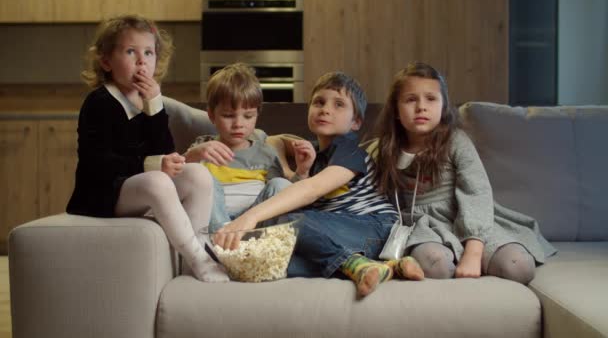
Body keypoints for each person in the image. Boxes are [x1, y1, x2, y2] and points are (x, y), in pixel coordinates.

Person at [214, 72, 424, 298]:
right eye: (319, 102)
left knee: (290, 222)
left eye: (339, 105)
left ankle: (357, 262)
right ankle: (385, 268)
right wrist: (293, 170)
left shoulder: (350, 151)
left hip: (375, 229)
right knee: (267, 262)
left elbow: (311, 191)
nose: (325, 109)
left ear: (356, 122)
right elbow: (273, 140)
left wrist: (250, 217)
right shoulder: (314, 154)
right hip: (338, 236)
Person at [66, 14, 228, 282]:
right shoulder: (100, 102)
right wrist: (153, 165)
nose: (142, 61)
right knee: (157, 182)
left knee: (198, 175)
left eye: (149, 53)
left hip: (134, 190)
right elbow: (101, 161)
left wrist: (154, 106)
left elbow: (164, 150)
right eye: (131, 51)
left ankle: (195, 251)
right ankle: (198, 259)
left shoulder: (149, 101)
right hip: (102, 194)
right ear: (106, 61)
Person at [369, 62, 557, 284]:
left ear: (443, 106)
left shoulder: (456, 141)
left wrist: (473, 253)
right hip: (422, 227)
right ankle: (449, 259)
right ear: (396, 111)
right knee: (436, 265)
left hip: (467, 218)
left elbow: (476, 192)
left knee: (518, 266)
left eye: (431, 98)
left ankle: (480, 258)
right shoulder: (382, 149)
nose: (421, 107)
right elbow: (349, 175)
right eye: (411, 99)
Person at [183, 63, 291, 233]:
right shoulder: (202, 146)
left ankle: (249, 243)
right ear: (211, 115)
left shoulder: (266, 153)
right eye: (228, 115)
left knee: (281, 184)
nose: (238, 124)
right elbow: (179, 179)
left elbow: (285, 196)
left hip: (254, 225)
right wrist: (194, 154)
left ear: (257, 115)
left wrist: (302, 171)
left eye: (248, 116)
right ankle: (225, 238)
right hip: (215, 225)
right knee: (202, 177)